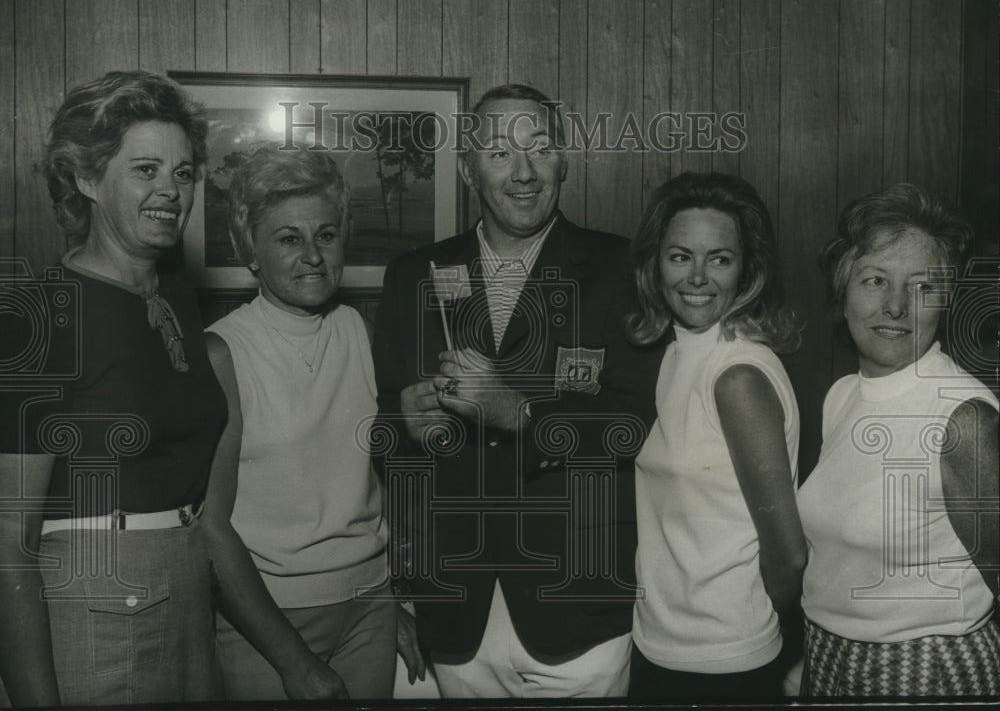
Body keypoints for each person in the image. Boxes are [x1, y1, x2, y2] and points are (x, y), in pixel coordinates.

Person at [372, 84, 663, 698]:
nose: (524, 172)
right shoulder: (413, 275)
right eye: (500, 153)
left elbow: (637, 426)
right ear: (467, 169)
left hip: (579, 607)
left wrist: (521, 412)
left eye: (540, 149)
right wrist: (405, 422)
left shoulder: (623, 271)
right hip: (455, 606)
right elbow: (388, 442)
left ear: (565, 161)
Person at [0, 71, 227, 706]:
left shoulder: (173, 296)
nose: (170, 191)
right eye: (146, 169)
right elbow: (6, 546)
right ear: (85, 178)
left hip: (188, 595)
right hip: (96, 607)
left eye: (183, 173)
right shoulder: (38, 318)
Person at [202, 144, 399, 699]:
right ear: (251, 252)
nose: (312, 254)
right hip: (269, 624)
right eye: (289, 238)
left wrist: (391, 606)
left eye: (327, 235)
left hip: (371, 610)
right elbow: (210, 529)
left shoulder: (356, 329)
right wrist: (293, 662)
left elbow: (369, 478)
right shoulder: (223, 352)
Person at [798, 184, 999, 696]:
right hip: (826, 655)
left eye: (921, 287)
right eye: (874, 280)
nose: (894, 306)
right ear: (843, 290)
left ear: (947, 298)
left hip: (929, 668)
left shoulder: (962, 417)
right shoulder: (842, 396)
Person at [625, 171, 807, 700]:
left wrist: (743, 629)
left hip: (725, 661)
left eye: (720, 259)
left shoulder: (738, 376)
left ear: (746, 269)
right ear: (655, 264)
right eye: (681, 256)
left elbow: (790, 554)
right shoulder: (678, 351)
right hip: (660, 642)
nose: (698, 276)